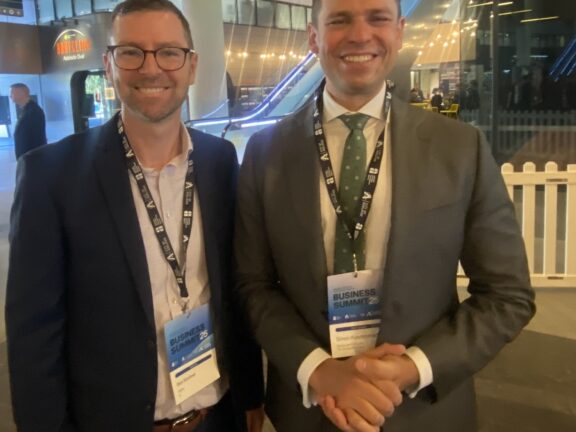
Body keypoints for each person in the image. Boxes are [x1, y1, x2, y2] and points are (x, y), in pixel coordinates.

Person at [234, 0, 535, 431]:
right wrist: (318, 369)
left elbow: (508, 295)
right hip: (309, 410)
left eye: (377, 18)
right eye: (340, 20)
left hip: (422, 411)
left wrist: (412, 368)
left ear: (399, 31)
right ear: (314, 37)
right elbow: (253, 286)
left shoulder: (459, 149)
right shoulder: (265, 154)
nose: (360, 35)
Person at [6, 1, 264, 431]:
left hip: (217, 416)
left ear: (192, 66)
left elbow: (233, 291)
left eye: (169, 52)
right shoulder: (51, 176)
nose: (151, 68)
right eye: (131, 52)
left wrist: (251, 393)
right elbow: (34, 333)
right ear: (108, 66)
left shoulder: (219, 161)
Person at [9, 83, 47, 159]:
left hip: (32, 158)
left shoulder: (33, 111)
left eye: (12, 93)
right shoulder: (26, 110)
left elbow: (36, 137)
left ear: (21, 93)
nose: (10, 96)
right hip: (27, 157)